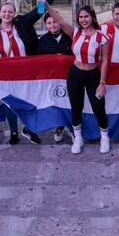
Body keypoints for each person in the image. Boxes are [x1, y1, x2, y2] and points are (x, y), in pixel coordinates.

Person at [0, 0, 59, 144]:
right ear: (0, 13)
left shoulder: (23, 23)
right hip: (7, 76)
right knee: (11, 104)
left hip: (27, 74)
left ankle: (29, 130)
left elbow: (39, 10)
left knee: (32, 101)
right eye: (4, 12)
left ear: (14, 13)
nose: (7, 14)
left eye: (10, 12)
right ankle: (14, 132)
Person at [44, 3, 110, 154]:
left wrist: (102, 82)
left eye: (86, 16)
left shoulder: (102, 37)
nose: (83, 20)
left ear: (92, 17)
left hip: (93, 75)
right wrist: (46, 5)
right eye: (80, 17)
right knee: (76, 107)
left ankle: (105, 137)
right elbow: (59, 19)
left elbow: (105, 61)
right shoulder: (75, 33)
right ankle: (78, 137)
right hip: (75, 74)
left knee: (98, 107)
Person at [37, 12, 73, 142]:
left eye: (55, 21)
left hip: (70, 77)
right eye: (49, 23)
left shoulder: (70, 36)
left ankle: (72, 128)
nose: (53, 25)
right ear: (46, 25)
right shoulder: (43, 41)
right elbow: (39, 61)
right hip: (53, 80)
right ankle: (59, 127)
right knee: (57, 102)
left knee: (71, 103)